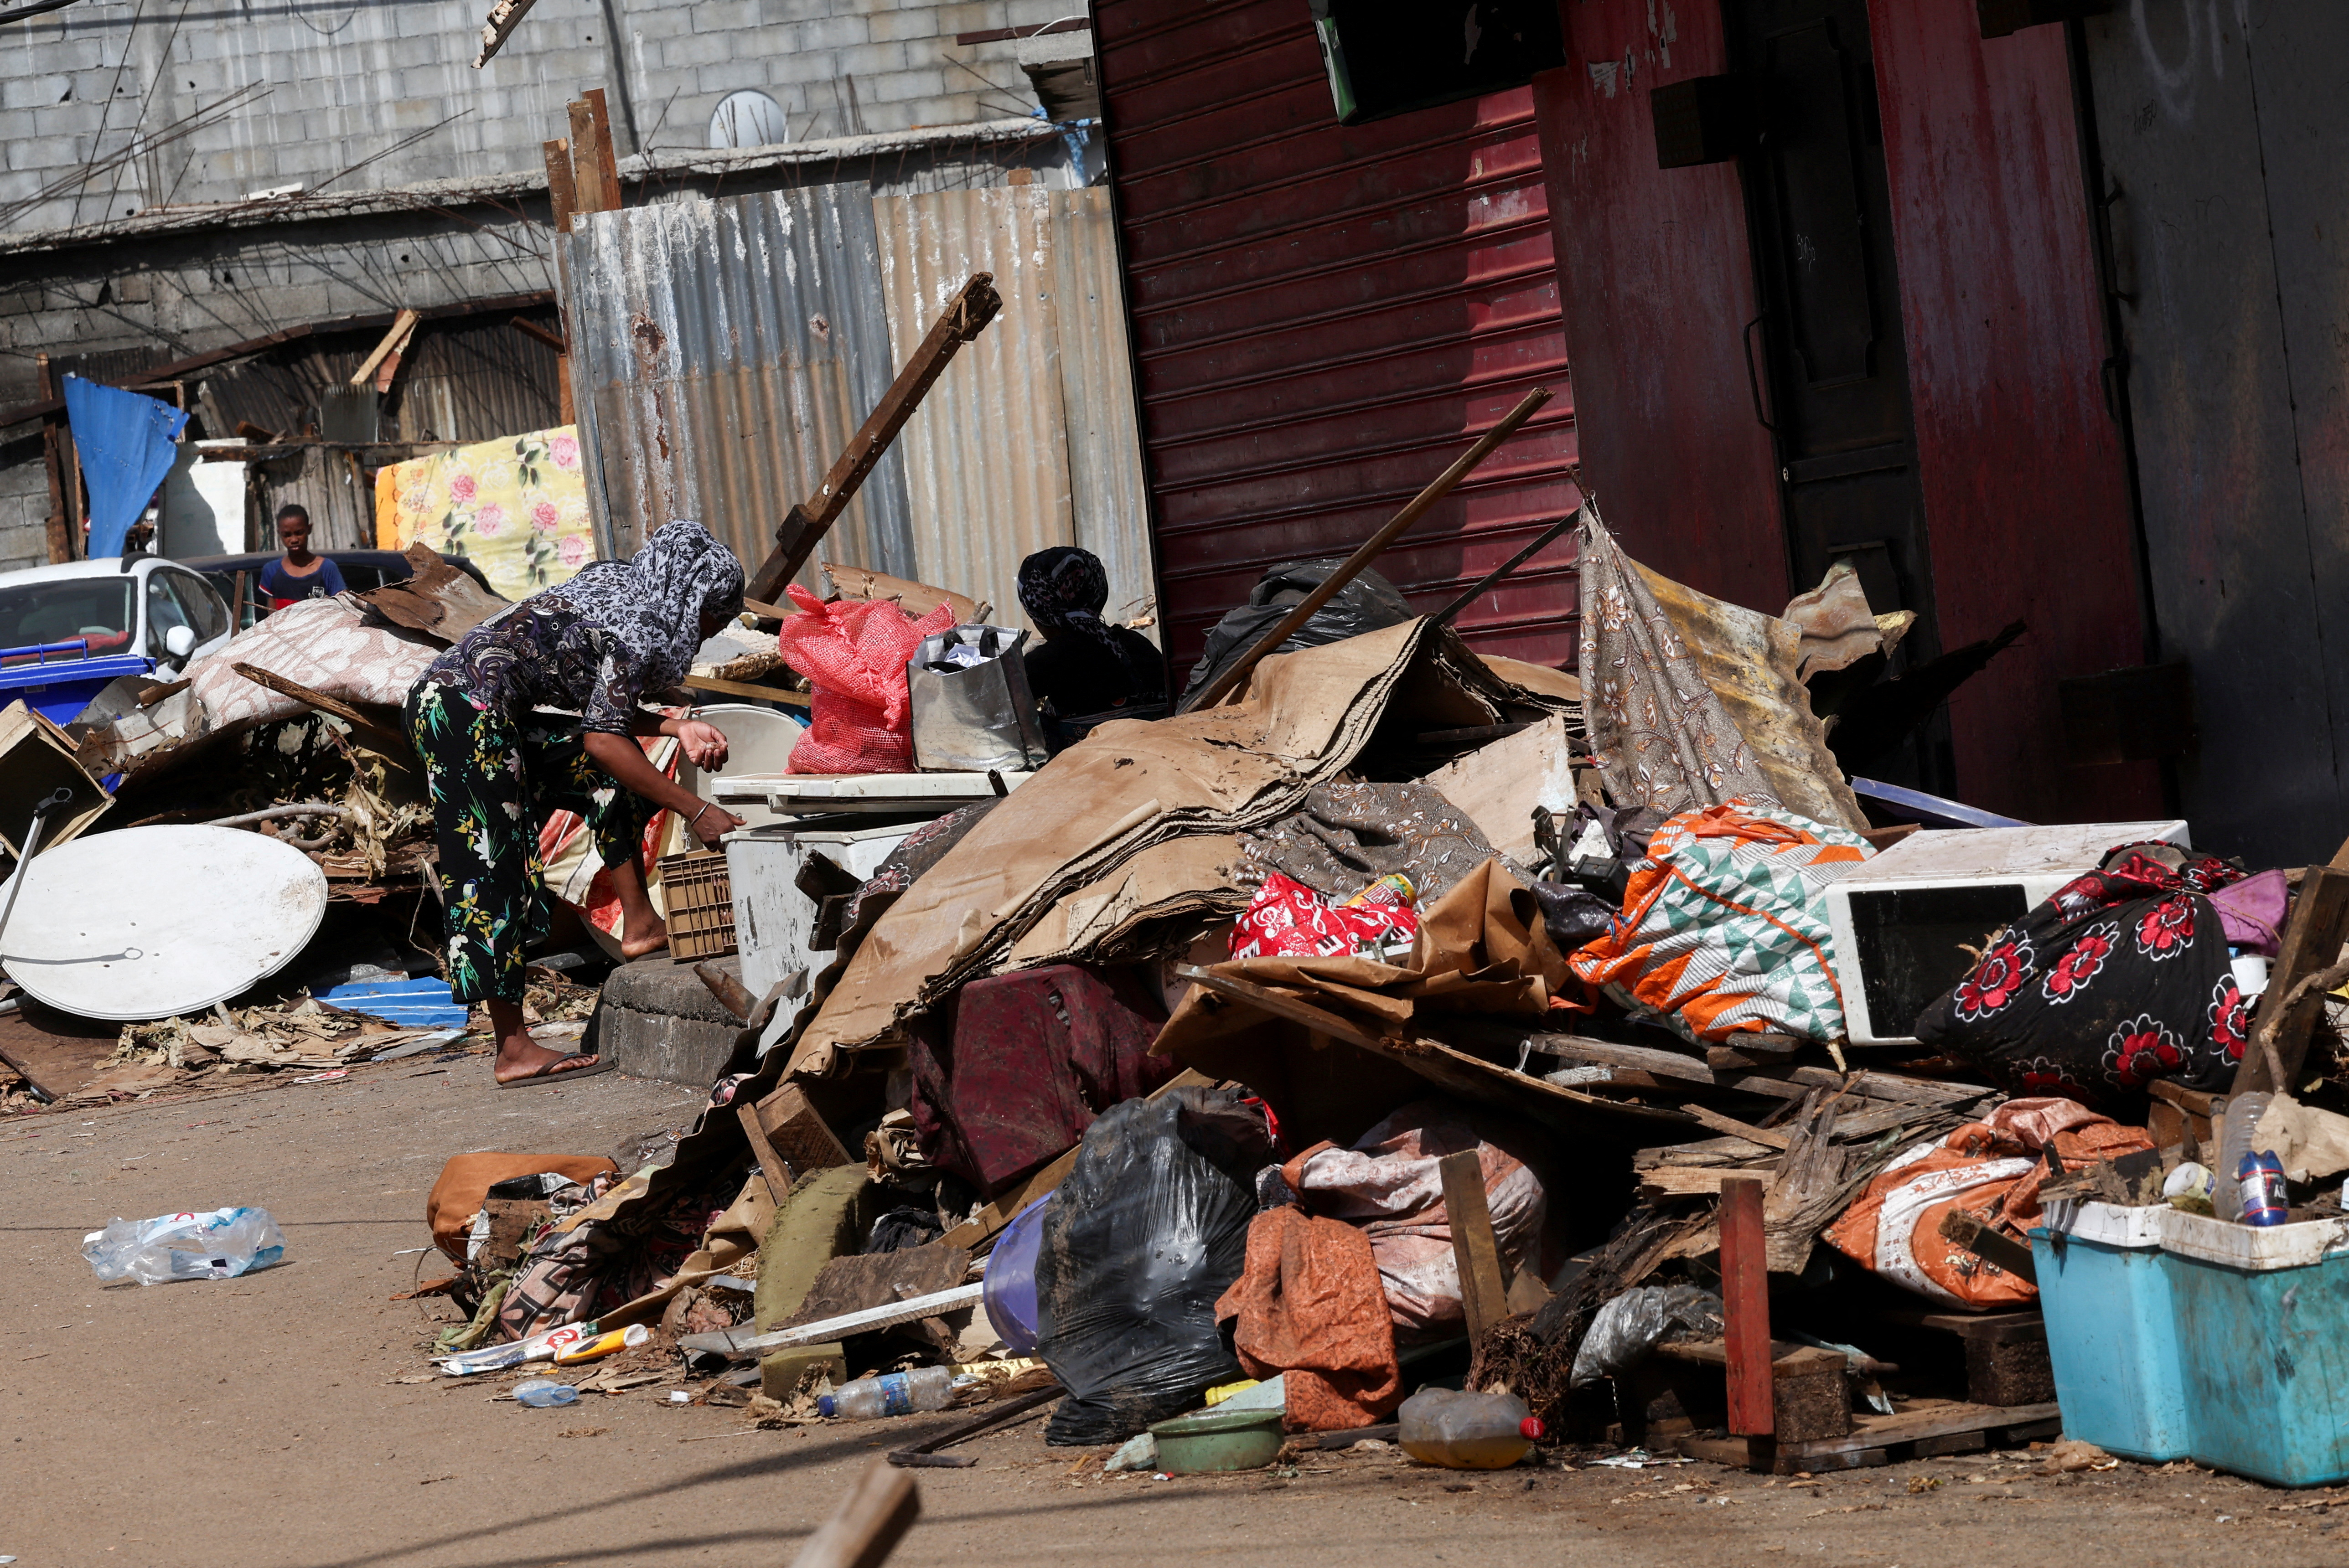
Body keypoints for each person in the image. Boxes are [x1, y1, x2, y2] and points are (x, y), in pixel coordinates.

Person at [405, 520, 750, 1087]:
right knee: (493, 866)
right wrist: (696, 808)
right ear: (692, 600)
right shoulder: (641, 627)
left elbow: (602, 718)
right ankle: (512, 1047)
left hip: (486, 708)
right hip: (462, 710)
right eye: (717, 616)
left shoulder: (623, 588)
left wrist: (674, 725)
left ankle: (640, 922)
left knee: (608, 778)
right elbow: (603, 736)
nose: (714, 630)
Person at [1016, 546, 1164, 726]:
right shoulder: (1137, 644)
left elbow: (997, 707)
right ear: (1098, 593)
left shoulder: (1048, 661)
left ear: (1039, 610)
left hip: (1097, 754)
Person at [259, 505, 346, 609]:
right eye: (287, 535)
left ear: (309, 529)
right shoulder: (271, 571)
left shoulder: (327, 568)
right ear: (279, 533)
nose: (294, 540)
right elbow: (272, 616)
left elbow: (342, 606)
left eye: (299, 533)